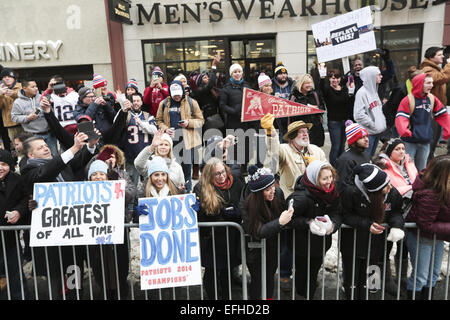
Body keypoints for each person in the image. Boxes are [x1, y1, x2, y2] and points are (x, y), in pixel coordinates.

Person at [20, 132, 99, 299]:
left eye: (46, 145)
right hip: (51, 241)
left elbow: (76, 162)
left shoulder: (60, 162)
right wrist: (74, 148)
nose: (46, 148)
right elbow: (45, 172)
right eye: (40, 147)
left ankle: (76, 295)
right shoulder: (28, 170)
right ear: (30, 155)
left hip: (71, 234)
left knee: (74, 273)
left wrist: (90, 145)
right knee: (56, 280)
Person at [261, 114, 326, 290]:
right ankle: (284, 275)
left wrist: (318, 169)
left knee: (309, 244)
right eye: (301, 132)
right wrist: (271, 133)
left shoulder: (317, 151)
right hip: (291, 204)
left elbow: (328, 171)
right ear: (292, 136)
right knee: (287, 244)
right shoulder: (284, 149)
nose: (305, 134)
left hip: (314, 205)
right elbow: (272, 157)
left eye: (306, 131)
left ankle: (306, 277)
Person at [340, 163, 405, 300]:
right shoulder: (351, 192)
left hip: (377, 247)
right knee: (352, 283)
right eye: (385, 186)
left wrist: (396, 226)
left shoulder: (391, 193)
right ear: (374, 191)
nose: (390, 187)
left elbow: (396, 212)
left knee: (370, 284)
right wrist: (366, 225)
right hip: (353, 246)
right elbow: (345, 215)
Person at [288, 160, 342, 299]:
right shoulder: (301, 197)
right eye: (324, 178)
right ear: (314, 179)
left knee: (313, 274)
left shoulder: (332, 193)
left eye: (330, 177)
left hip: (320, 244)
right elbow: (288, 219)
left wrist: (332, 225)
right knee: (304, 277)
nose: (329, 181)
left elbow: (337, 212)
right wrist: (308, 223)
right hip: (302, 246)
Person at [193, 157, 244, 300]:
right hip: (212, 239)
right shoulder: (201, 188)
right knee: (212, 272)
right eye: (217, 174)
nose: (222, 176)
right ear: (210, 175)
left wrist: (237, 213)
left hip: (231, 237)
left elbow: (244, 205)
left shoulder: (236, 183)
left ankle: (227, 298)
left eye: (223, 172)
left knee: (228, 272)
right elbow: (199, 217)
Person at [240, 165, 292, 300]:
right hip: (254, 249)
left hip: (273, 247)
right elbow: (257, 231)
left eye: (273, 186)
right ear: (257, 193)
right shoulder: (247, 203)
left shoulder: (277, 193)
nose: (272, 191)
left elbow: (284, 210)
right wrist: (279, 222)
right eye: (267, 190)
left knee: (269, 278)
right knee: (257, 280)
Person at [85, 159, 136, 300]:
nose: (98, 177)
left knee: (121, 264)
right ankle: (105, 292)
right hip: (95, 238)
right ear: (89, 178)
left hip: (118, 235)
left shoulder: (117, 188)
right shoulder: (82, 193)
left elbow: (129, 195)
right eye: (94, 174)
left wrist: (116, 187)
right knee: (99, 267)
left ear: (107, 176)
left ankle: (122, 292)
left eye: (101, 174)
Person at [374, 138, 419, 292]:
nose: (401, 151)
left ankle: (401, 278)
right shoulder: (383, 166)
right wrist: (411, 189)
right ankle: (384, 281)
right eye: (397, 149)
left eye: (403, 148)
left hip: (410, 210)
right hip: (391, 211)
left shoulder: (409, 163)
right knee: (385, 246)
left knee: (404, 246)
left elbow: (417, 181)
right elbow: (391, 189)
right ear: (389, 152)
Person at [404, 155, 450, 300]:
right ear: (444, 174)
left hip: (437, 237)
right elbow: (425, 224)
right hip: (422, 238)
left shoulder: (443, 189)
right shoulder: (430, 194)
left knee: (434, 275)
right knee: (420, 277)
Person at [155, 80, 204, 193]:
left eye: (179, 94)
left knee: (187, 171)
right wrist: (166, 129)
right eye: (174, 95)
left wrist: (188, 123)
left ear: (182, 91)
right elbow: (158, 120)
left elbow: (201, 121)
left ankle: (187, 192)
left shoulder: (192, 102)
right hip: (171, 143)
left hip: (188, 142)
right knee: (172, 169)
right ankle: (172, 192)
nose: (177, 97)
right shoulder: (164, 104)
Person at [395, 73, 450, 171]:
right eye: (428, 83)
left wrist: (447, 128)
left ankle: (420, 186)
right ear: (420, 84)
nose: (432, 85)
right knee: (407, 168)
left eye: (432, 83)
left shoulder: (431, 98)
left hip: (425, 141)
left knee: (422, 170)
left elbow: (443, 115)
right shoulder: (408, 100)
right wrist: (404, 130)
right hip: (410, 141)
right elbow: (401, 117)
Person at [0, 149, 30, 300]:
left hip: (11, 238)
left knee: (16, 274)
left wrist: (18, 211)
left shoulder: (16, 180)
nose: (0, 167)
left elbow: (25, 199)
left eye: (4, 164)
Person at [11, 80, 58, 156]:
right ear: (24, 88)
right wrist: (27, 118)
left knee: (54, 156)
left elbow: (53, 113)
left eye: (36, 86)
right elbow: (14, 117)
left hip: (49, 133)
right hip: (33, 136)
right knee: (37, 157)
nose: (36, 88)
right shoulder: (18, 102)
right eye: (33, 87)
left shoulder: (42, 97)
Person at [420, 47, 450, 162]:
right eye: (439, 55)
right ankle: (426, 167)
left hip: (437, 110)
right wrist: (449, 65)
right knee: (430, 141)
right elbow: (442, 78)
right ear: (431, 57)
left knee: (434, 140)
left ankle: (429, 163)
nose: (443, 56)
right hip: (430, 111)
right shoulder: (427, 69)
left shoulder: (435, 69)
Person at [319, 68, 353, 165]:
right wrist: (322, 77)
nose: (335, 80)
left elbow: (349, 103)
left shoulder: (344, 89)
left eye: (337, 78)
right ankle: (333, 167)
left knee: (342, 146)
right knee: (336, 146)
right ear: (329, 79)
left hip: (345, 121)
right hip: (334, 122)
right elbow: (321, 87)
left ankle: (341, 166)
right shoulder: (327, 90)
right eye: (332, 78)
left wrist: (351, 92)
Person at [122, 92, 157, 187]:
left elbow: (154, 130)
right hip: (131, 157)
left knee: (148, 184)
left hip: (146, 158)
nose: (136, 103)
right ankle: (133, 202)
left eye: (138, 101)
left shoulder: (147, 116)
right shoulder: (127, 115)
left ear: (141, 102)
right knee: (132, 185)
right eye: (133, 101)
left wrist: (141, 123)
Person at [353, 66, 387, 156]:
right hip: (368, 134)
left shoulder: (374, 91)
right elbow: (358, 115)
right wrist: (372, 124)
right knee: (365, 158)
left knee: (370, 158)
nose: (381, 76)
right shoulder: (362, 93)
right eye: (379, 74)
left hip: (376, 132)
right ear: (371, 76)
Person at [289, 73, 326, 147]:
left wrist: (315, 108)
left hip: (316, 130)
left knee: (315, 154)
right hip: (300, 131)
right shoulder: (294, 96)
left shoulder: (315, 94)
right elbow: (291, 114)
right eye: (307, 83)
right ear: (301, 84)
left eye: (310, 83)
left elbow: (322, 108)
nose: (309, 85)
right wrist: (306, 108)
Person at [0, 68, 23, 149]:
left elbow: (26, 96)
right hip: (10, 124)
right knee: (16, 147)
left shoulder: (21, 86)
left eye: (9, 76)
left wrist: (13, 94)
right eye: (4, 77)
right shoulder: (1, 89)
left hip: (24, 122)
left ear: (14, 78)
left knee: (27, 144)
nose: (7, 78)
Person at [271, 62, 295, 141]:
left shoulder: (292, 85)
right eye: (280, 74)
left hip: (289, 120)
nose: (283, 75)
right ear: (276, 75)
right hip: (276, 122)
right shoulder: (271, 85)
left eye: (285, 73)